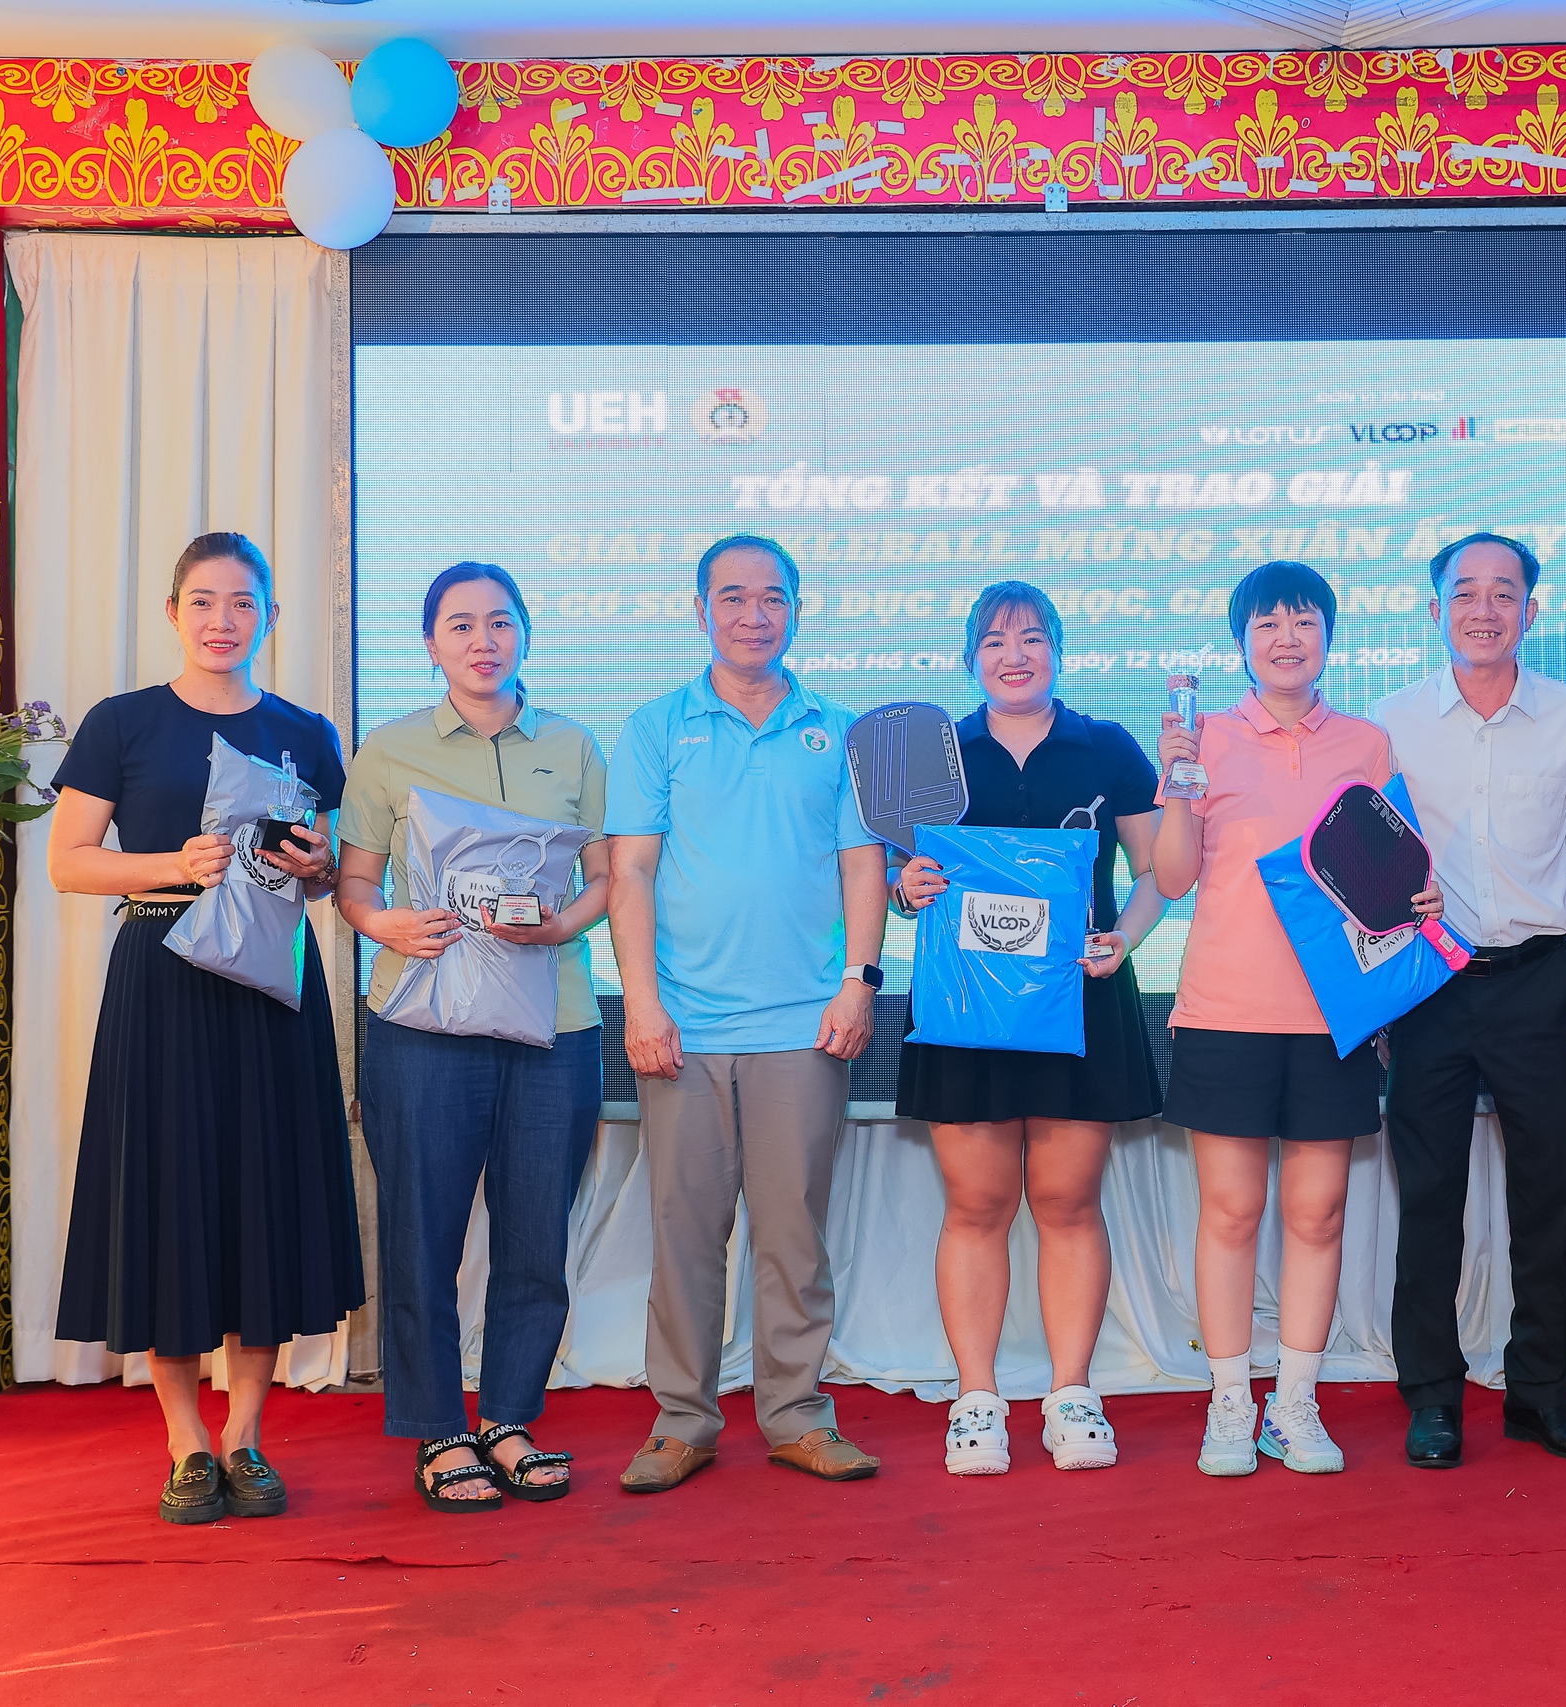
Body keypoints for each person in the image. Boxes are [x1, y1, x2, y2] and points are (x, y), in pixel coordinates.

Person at [44, 531, 358, 1526]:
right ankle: (186, 1443)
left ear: (269, 616)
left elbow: (334, 864)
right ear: (173, 613)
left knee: (261, 1197)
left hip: (270, 985)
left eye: (243, 604)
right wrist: (174, 866)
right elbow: (70, 862)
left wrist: (314, 867)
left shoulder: (306, 732)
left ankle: (246, 1437)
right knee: (169, 1200)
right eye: (204, 601)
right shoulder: (123, 724)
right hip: (163, 979)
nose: (223, 620)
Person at [604, 534, 890, 1492]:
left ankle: (798, 1414)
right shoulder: (655, 727)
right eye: (733, 597)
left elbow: (863, 864)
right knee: (685, 1233)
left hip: (805, 1025)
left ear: (797, 610)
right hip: (681, 1025)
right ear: (700, 612)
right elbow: (631, 869)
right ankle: (682, 1420)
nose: (753, 614)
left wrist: (860, 978)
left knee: (792, 1233)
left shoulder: (840, 732)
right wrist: (640, 1000)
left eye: (773, 597)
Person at [336, 564, 612, 1514]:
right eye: (461, 625)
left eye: (500, 622)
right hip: (423, 1023)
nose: (482, 640)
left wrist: (564, 926)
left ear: (526, 634)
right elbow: (353, 888)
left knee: (537, 1229)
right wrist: (386, 927)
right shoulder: (387, 751)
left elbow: (610, 878)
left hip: (555, 1023)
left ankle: (507, 1414)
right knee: (422, 1228)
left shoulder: (573, 747)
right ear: (431, 643)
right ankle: (435, 1428)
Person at [1153, 560, 1437, 1478]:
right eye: (1268, 622)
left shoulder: (1367, 742)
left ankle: (1297, 1403)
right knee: (1232, 1212)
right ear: (1241, 640)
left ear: (1328, 634)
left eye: (1304, 620)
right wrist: (1176, 786)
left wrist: (1419, 897)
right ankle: (1231, 1402)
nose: (1287, 637)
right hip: (1225, 1010)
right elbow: (1168, 879)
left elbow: (1391, 879)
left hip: (1335, 1017)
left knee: (1318, 1213)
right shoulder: (1203, 740)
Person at [891, 583, 1170, 1475]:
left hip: (1078, 1006)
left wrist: (1123, 939)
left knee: (1067, 1203)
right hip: (963, 1009)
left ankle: (1071, 1393)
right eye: (996, 640)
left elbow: (1162, 871)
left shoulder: (1109, 748)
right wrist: (910, 888)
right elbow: (901, 871)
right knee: (975, 1205)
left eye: (1033, 637)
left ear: (1059, 649)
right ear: (971, 656)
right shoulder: (939, 753)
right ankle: (976, 1400)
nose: (1015, 654)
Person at [1372, 532, 1566, 1470]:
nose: (1484, 608)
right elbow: (1359, 860)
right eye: (1464, 592)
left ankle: (1541, 1395)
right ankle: (1432, 1397)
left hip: (1539, 981)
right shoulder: (1388, 722)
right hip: (1429, 985)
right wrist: (1381, 992)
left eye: (1503, 592)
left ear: (1531, 609)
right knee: (1430, 1195)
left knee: (1548, 1193)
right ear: (1434, 609)